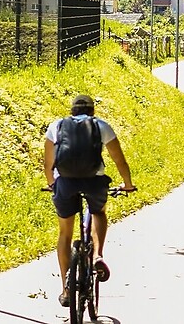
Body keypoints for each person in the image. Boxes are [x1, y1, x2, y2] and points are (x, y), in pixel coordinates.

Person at [44, 94, 135, 307]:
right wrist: (127, 184)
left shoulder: (56, 126)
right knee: (99, 212)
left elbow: (48, 163)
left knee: (65, 233)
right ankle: (97, 256)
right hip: (94, 182)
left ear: (72, 110)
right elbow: (119, 160)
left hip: (65, 183)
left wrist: (52, 184)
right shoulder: (101, 126)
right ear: (92, 111)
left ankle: (67, 290)